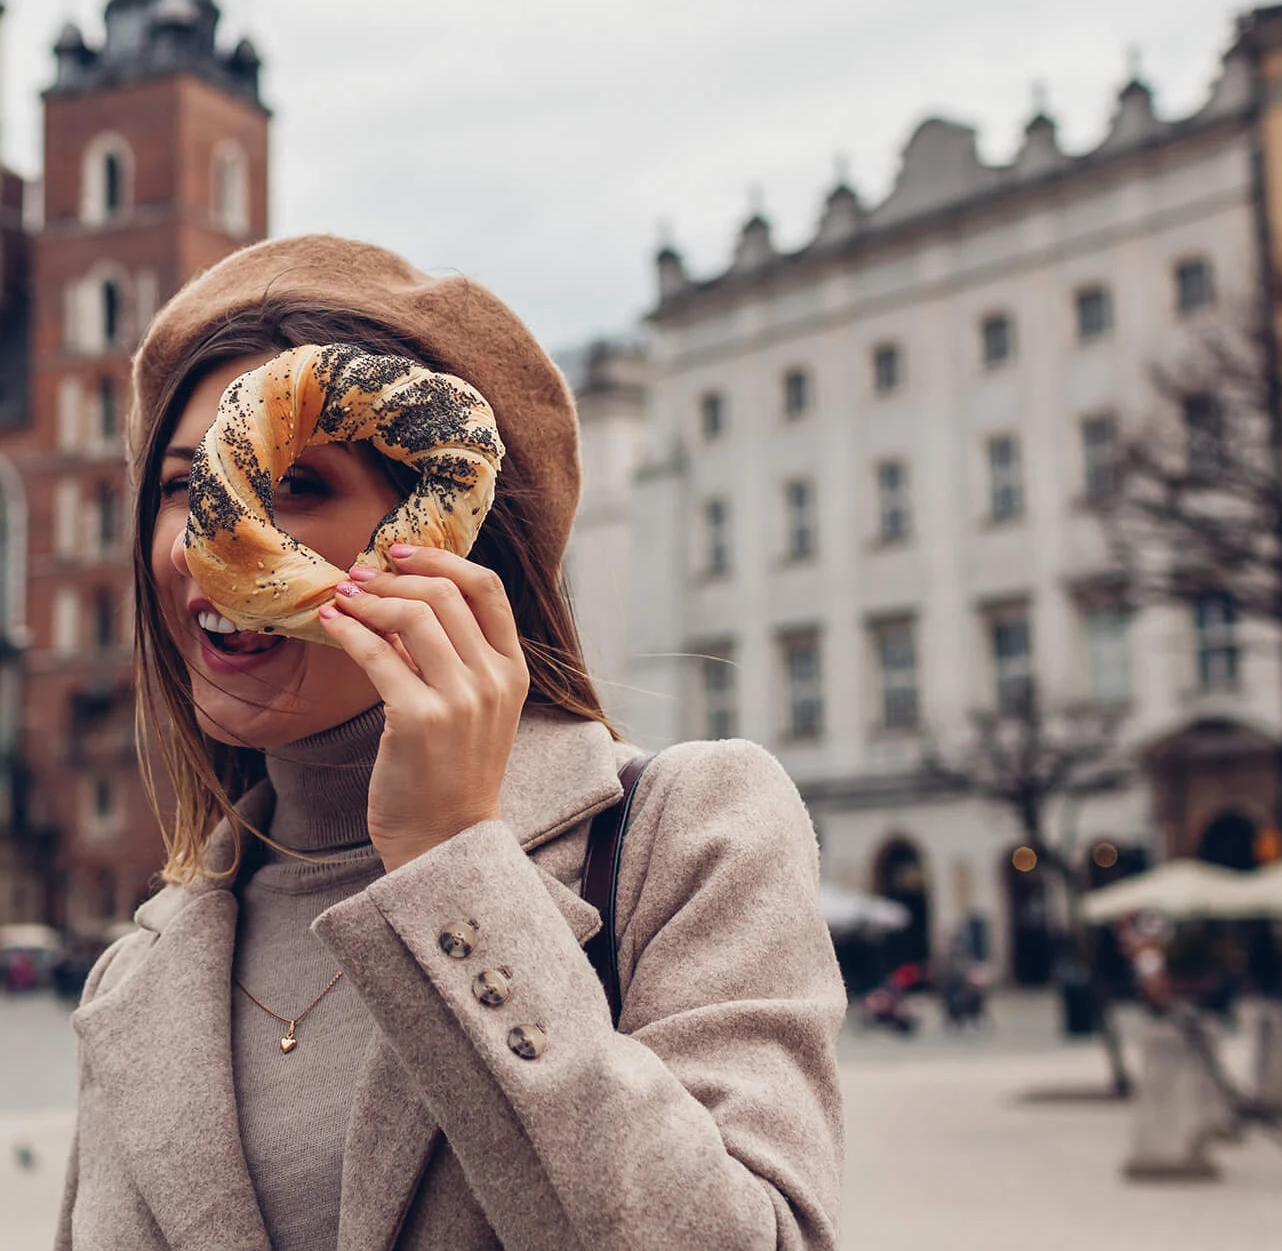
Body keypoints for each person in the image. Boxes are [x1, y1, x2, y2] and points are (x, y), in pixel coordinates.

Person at [54, 238, 844, 1249]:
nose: (203, 542)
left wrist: (452, 867)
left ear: (448, 530)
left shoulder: (688, 833)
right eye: (177, 487)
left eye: (292, 485)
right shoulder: (138, 971)